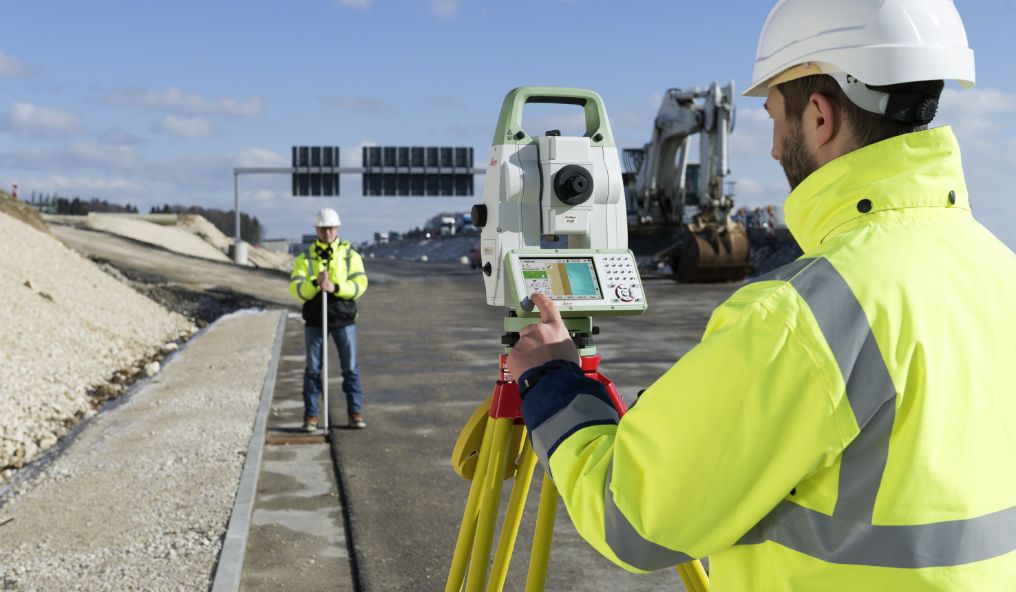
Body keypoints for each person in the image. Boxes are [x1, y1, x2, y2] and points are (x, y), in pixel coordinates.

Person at [507, 0, 1016, 589]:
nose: (774, 147)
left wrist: (552, 383)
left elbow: (635, 517)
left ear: (820, 118)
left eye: (776, 116)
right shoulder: (997, 268)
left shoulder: (799, 316)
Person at [290, 207, 369, 431]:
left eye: (331, 229)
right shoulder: (304, 259)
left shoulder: (350, 256)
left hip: (343, 319)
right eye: (324, 229)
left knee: (350, 368)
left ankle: (355, 412)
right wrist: (315, 283)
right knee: (313, 370)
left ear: (337, 229)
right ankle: (311, 416)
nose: (327, 233)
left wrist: (335, 286)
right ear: (317, 230)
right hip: (315, 320)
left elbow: (359, 285)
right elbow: (297, 289)